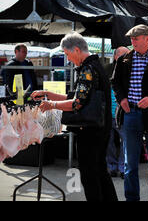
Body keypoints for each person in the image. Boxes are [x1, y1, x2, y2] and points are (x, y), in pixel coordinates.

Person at [31, 32, 118, 202]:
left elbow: (77, 103)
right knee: (100, 172)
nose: (68, 59)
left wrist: (51, 105)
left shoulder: (88, 69)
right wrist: (49, 94)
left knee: (89, 175)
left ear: (77, 50)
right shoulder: (95, 66)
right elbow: (79, 97)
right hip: (100, 129)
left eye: (67, 54)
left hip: (90, 131)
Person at [111, 24, 148, 201]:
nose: (132, 42)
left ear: (147, 39)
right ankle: (131, 198)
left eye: (135, 39)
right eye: (131, 39)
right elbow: (115, 82)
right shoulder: (124, 60)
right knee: (130, 164)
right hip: (130, 114)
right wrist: (122, 99)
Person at [106, 46, 129, 179]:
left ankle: (122, 167)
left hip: (124, 113)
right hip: (108, 113)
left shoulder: (132, 69)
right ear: (115, 56)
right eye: (123, 55)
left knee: (125, 141)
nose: (127, 57)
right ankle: (112, 166)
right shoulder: (107, 70)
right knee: (108, 142)